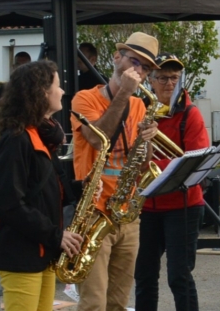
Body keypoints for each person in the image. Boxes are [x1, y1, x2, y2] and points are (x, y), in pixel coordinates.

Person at [70, 32, 160, 311]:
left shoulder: (138, 104)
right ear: (116, 57)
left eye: (145, 68)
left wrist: (147, 141)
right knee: (94, 303)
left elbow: (141, 161)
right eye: (135, 62)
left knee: (118, 304)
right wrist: (123, 94)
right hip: (94, 212)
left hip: (126, 213)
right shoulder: (84, 99)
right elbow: (98, 138)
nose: (139, 72)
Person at [0, 61, 83, 311]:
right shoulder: (18, 139)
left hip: (41, 252)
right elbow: (9, 204)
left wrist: (83, 188)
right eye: (58, 86)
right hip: (22, 254)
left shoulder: (39, 136)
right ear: (42, 92)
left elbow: (53, 189)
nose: (63, 91)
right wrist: (56, 235)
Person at [134, 54, 210, 311]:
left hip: (183, 205)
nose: (169, 83)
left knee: (179, 276)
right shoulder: (139, 112)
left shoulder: (191, 114)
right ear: (151, 81)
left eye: (174, 78)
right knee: (143, 275)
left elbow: (195, 162)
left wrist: (151, 167)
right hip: (147, 206)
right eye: (163, 78)